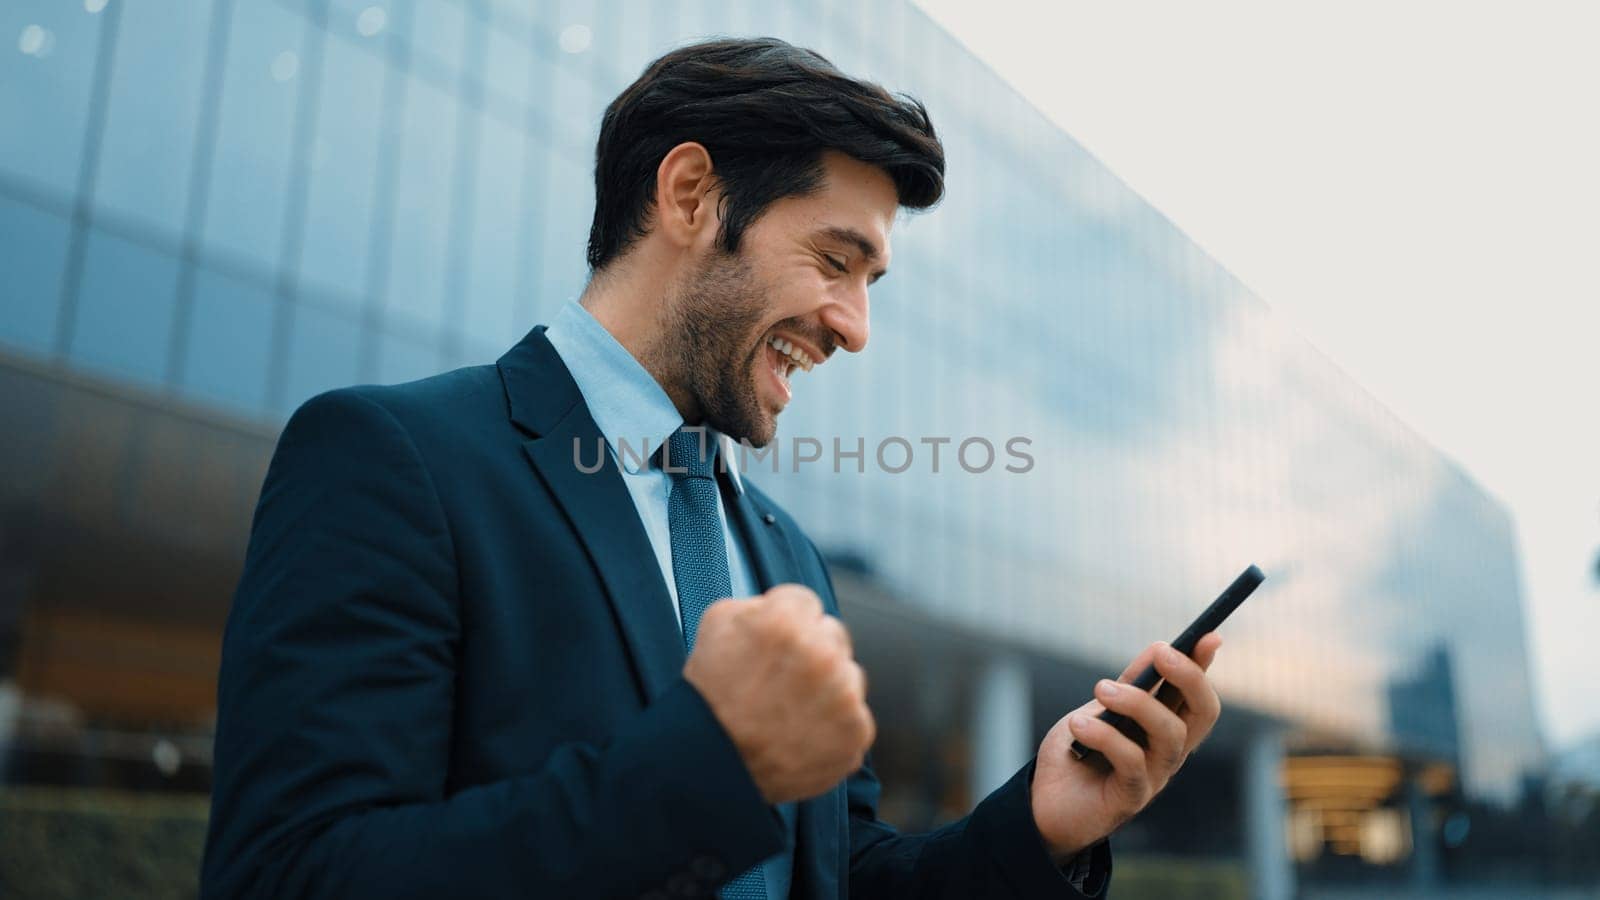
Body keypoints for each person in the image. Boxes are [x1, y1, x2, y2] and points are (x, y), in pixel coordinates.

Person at [201, 37, 1223, 900]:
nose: (855, 329)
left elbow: (838, 874)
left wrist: (1038, 826)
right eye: (833, 260)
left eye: (871, 281)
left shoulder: (788, 558)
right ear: (690, 196)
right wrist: (706, 767)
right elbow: (291, 872)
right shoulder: (394, 461)